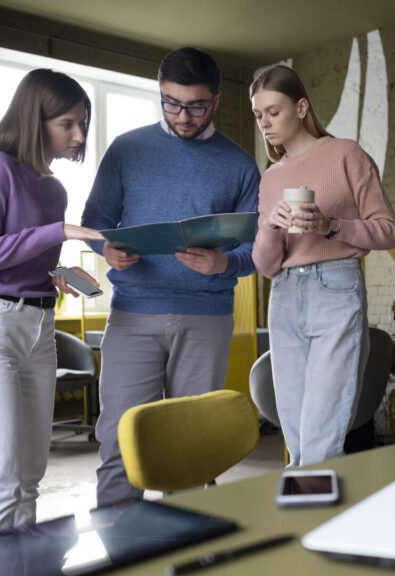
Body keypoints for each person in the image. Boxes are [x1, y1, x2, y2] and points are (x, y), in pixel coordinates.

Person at [82, 47, 260, 506]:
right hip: (133, 314)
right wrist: (107, 248)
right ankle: (120, 556)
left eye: (196, 105)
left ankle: (185, 555)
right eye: (171, 102)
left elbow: (259, 245)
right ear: (160, 94)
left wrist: (226, 263)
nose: (183, 115)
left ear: (216, 101)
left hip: (208, 316)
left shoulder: (240, 163)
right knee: (121, 437)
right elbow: (95, 219)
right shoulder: (127, 149)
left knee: (192, 448)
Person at [0, 68, 103, 535]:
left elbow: (28, 259)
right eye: (67, 124)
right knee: (0, 476)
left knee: (30, 474)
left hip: (39, 330)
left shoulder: (54, 188)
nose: (78, 136)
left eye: (82, 125)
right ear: (36, 120)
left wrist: (62, 275)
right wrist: (58, 232)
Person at [250, 64, 395, 466]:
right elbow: (266, 266)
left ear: (301, 108)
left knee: (321, 432)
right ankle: (310, 510)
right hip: (283, 294)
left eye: (274, 112)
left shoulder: (345, 154)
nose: (265, 123)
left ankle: (311, 514)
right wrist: (268, 226)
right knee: (298, 434)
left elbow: (388, 231)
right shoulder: (271, 177)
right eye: (258, 114)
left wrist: (331, 226)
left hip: (336, 288)